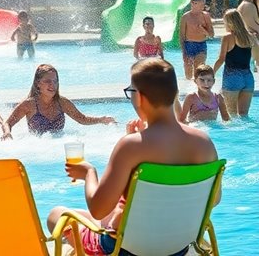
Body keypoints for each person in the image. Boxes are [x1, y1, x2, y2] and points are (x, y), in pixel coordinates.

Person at [47, 58, 219, 256]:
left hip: (124, 249)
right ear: (174, 94)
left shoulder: (130, 147)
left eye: (131, 92)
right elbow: (213, 199)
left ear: (140, 97)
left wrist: (89, 173)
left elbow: (98, 209)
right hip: (176, 247)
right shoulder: (204, 143)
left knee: (56, 215)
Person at [5, 64, 115, 136]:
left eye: (55, 81)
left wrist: (102, 120)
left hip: (58, 149)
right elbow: (7, 123)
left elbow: (82, 119)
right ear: (38, 84)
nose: (52, 85)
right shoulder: (29, 104)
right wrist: (7, 133)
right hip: (38, 148)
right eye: (48, 81)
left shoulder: (62, 103)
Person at [212, 9, 254, 117]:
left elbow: (221, 59)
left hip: (232, 77)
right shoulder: (250, 36)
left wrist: (211, 73)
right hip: (248, 78)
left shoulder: (228, 37)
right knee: (244, 115)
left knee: (231, 116)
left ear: (229, 22)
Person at [178, 0, 213, 80]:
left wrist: (204, 31)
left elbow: (212, 35)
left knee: (199, 69)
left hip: (201, 44)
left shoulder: (206, 16)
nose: (203, 6)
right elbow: (182, 36)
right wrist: (183, 52)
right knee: (188, 75)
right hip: (189, 45)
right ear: (193, 3)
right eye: (201, 4)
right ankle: (189, 91)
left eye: (204, 4)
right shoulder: (185, 17)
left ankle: (199, 89)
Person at [237, 0, 259, 72]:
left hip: (246, 36)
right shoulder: (249, 5)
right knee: (257, 60)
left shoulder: (245, 4)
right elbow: (252, 23)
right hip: (252, 36)